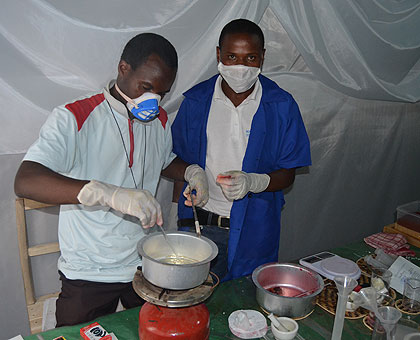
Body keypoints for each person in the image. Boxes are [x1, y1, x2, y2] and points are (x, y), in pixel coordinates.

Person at [14, 33, 208, 326]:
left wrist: (191, 171)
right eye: (146, 87)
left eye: (162, 93)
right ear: (123, 68)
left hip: (145, 264)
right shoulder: (75, 117)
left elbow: (163, 159)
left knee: (162, 330)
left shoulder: (158, 122)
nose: (153, 101)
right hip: (90, 271)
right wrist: (105, 192)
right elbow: (26, 180)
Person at [171, 19, 311, 281]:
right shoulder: (196, 101)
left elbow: (288, 172)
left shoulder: (281, 106)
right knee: (194, 297)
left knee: (244, 305)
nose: (240, 67)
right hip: (200, 224)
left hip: (254, 230)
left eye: (251, 58)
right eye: (232, 56)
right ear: (218, 55)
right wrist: (193, 173)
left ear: (263, 58)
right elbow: (169, 158)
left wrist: (254, 181)